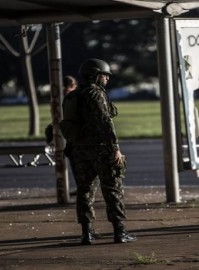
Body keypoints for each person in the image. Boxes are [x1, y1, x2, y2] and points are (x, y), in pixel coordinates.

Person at [62, 59, 136, 245]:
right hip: (101, 150)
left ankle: (87, 233)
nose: (107, 79)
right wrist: (115, 149)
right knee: (113, 190)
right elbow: (105, 122)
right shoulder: (96, 94)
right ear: (95, 75)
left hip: (79, 151)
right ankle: (120, 232)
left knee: (84, 191)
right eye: (105, 75)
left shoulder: (72, 96)